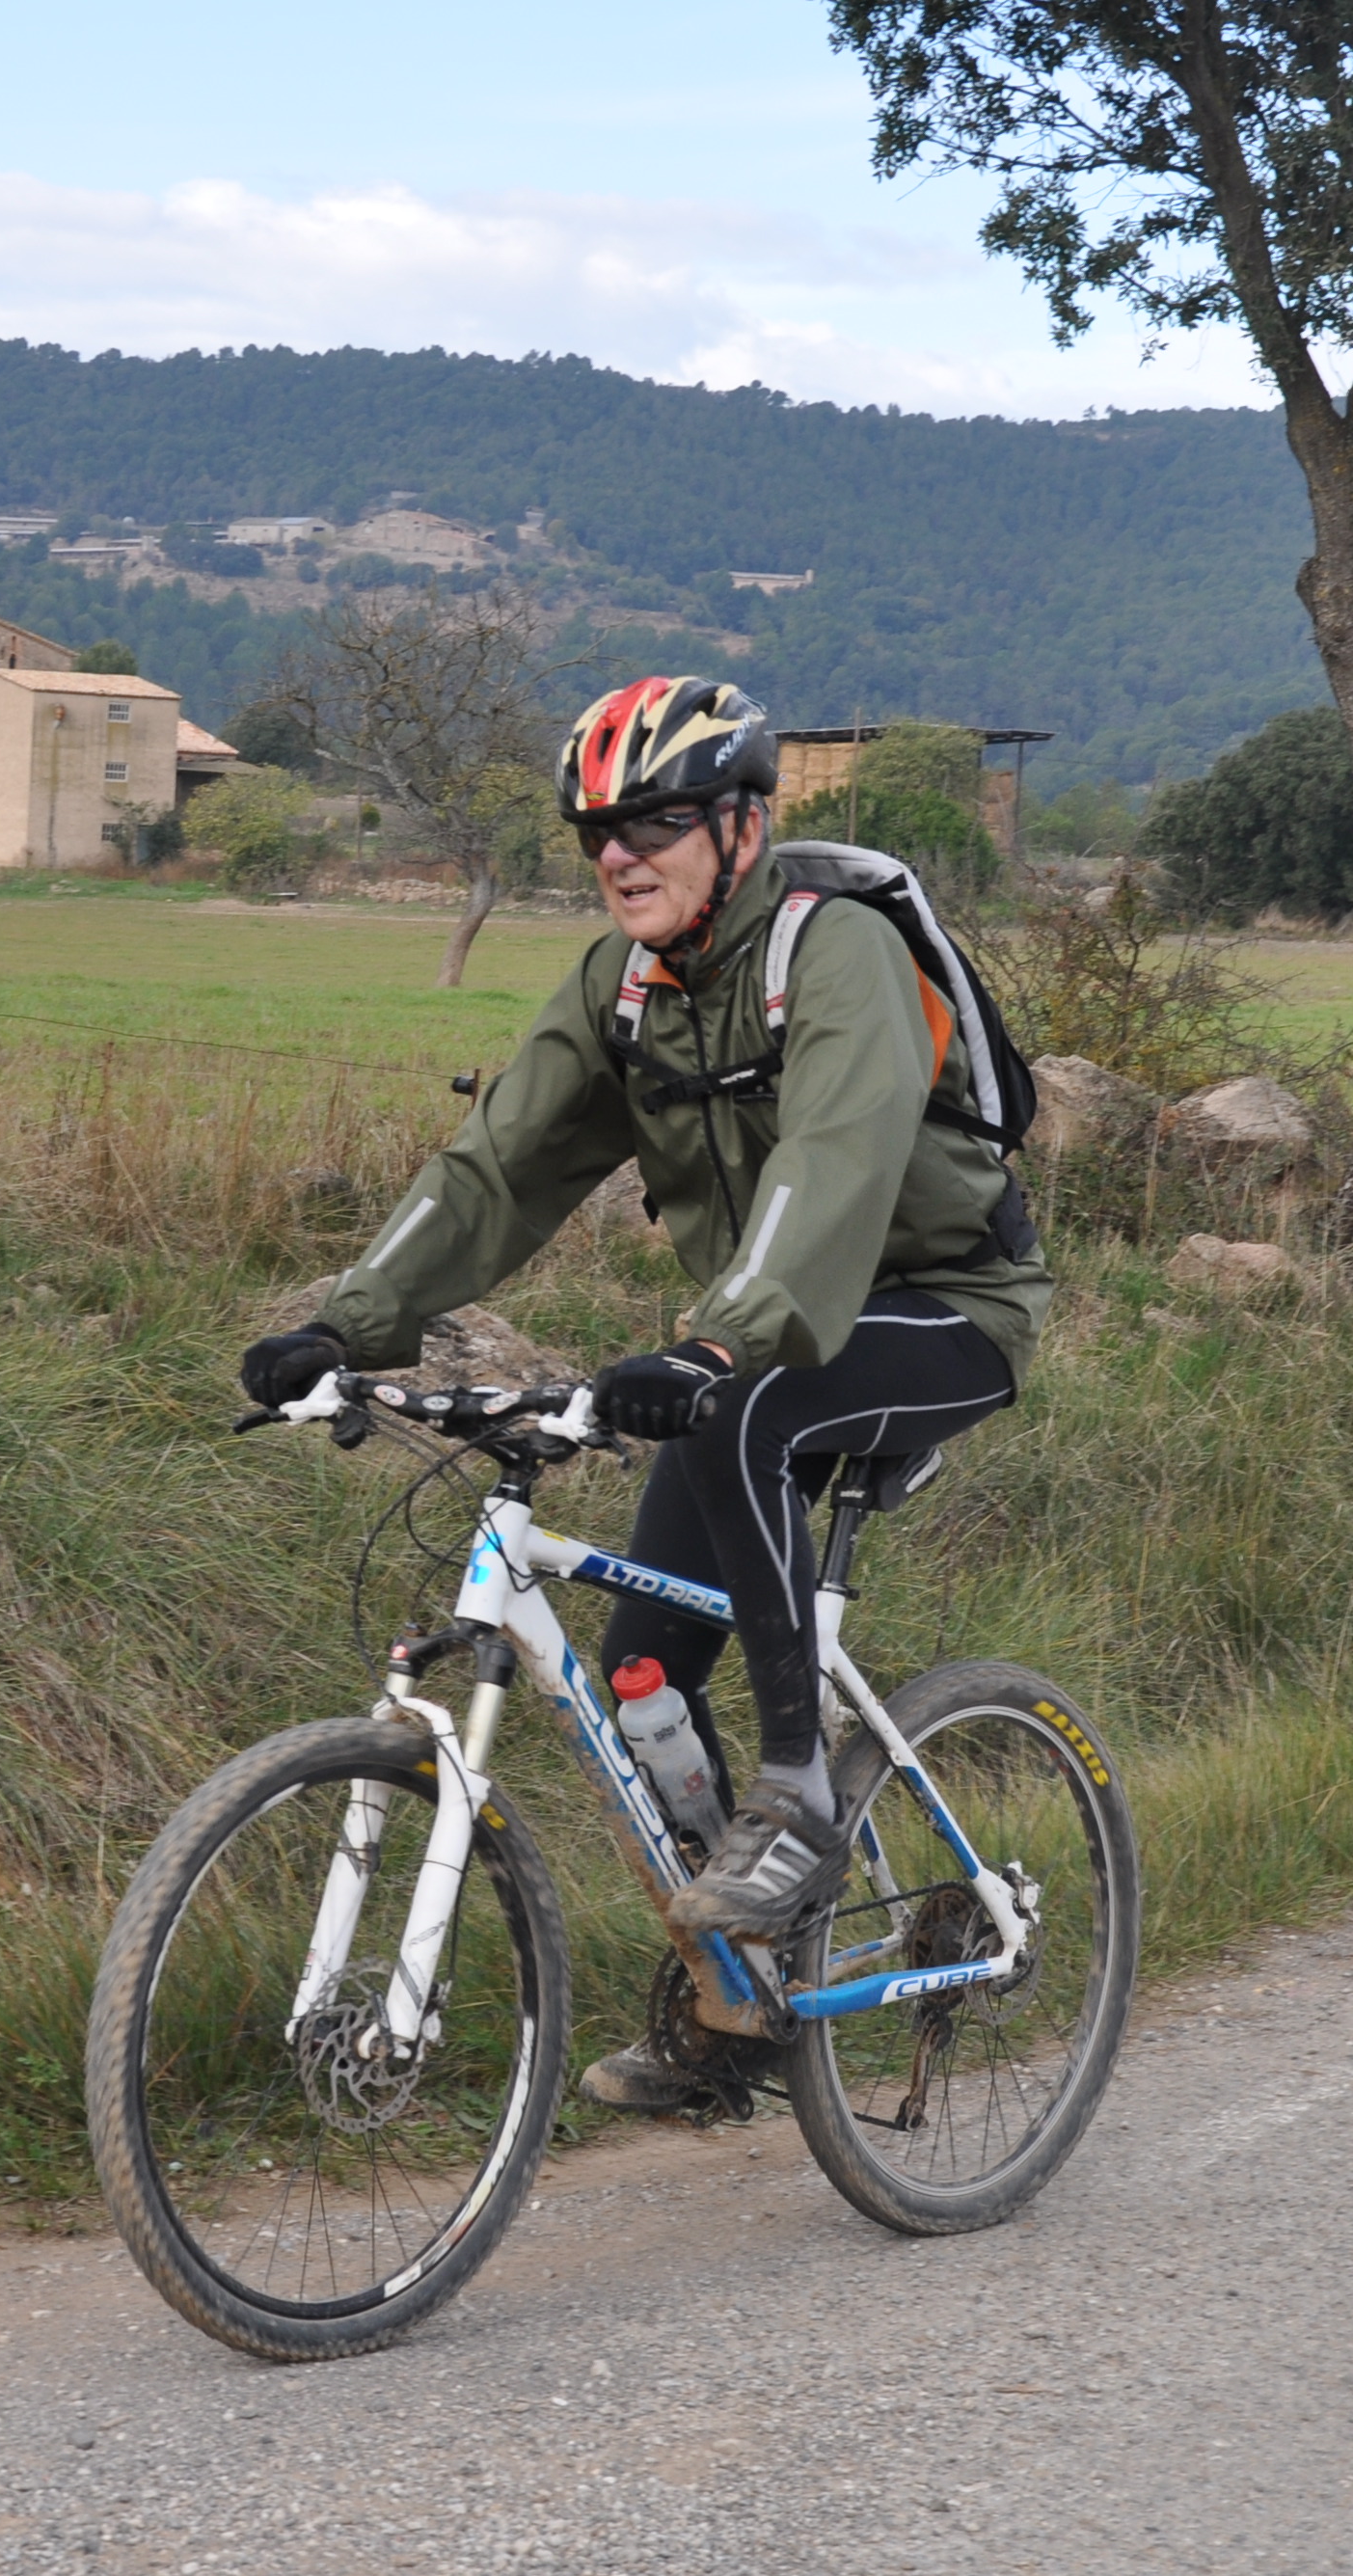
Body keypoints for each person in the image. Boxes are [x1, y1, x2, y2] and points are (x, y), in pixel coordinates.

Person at [235, 677, 1051, 2112]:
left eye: (658, 822)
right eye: (598, 832)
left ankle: (799, 1794)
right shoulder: (623, 988)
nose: (620, 854)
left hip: (943, 1306)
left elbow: (837, 1157)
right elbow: (497, 1167)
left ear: (743, 826)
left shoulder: (836, 950)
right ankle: (738, 2013)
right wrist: (343, 1325)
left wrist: (717, 1345)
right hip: (764, 1330)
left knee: (743, 1415)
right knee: (643, 1685)